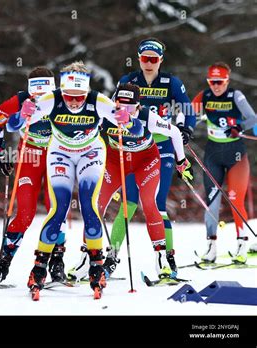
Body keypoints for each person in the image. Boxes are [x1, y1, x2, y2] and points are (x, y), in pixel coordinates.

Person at [10, 61, 143, 298]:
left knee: (89, 206)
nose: (73, 102)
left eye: (79, 97)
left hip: (90, 152)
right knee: (58, 208)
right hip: (59, 152)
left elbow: (137, 131)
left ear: (87, 92)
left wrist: (128, 119)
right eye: (69, 96)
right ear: (62, 91)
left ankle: (96, 267)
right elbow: (13, 125)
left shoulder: (99, 101)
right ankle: (39, 269)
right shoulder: (51, 100)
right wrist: (22, 115)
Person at [68, 38, 196, 281]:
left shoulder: (171, 83)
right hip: (122, 154)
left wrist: (185, 137)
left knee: (155, 204)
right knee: (116, 205)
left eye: (153, 59)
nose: (148, 63)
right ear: (138, 58)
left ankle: (165, 258)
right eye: (144, 58)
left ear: (160, 60)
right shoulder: (126, 83)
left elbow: (185, 111)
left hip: (158, 148)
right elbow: (89, 124)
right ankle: (101, 257)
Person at [0, 67, 69, 286]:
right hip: (29, 155)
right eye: (35, 93)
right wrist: (0, 153)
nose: (39, 98)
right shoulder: (21, 100)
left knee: (56, 208)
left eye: (44, 93)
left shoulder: (63, 99)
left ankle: (56, 263)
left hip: (57, 155)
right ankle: (2, 265)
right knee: (25, 214)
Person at [99, 83, 192, 278]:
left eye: (130, 106)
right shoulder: (107, 114)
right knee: (119, 206)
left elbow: (174, 132)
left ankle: (162, 260)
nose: (124, 110)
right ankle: (105, 258)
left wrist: (181, 161)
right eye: (120, 105)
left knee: (150, 203)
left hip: (146, 162)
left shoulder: (147, 117)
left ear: (138, 106)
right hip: (121, 162)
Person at [192, 62, 257, 263]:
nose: (216, 86)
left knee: (236, 200)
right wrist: (182, 127)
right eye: (212, 82)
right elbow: (187, 113)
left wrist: (238, 126)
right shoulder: (204, 96)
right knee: (212, 201)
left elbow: (253, 119)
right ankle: (211, 248)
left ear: (227, 81)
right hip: (213, 153)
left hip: (235, 153)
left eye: (220, 82)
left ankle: (242, 246)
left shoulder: (235, 96)